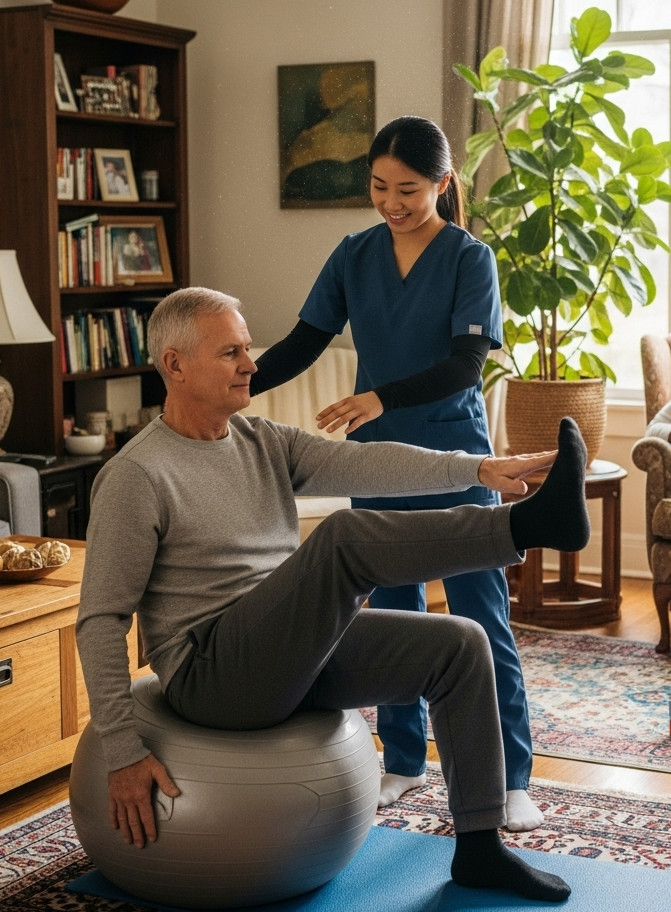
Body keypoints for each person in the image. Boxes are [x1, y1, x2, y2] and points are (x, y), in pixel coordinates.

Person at [76, 288, 590, 903]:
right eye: (231, 352)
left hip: (287, 654)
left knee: (460, 644)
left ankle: (480, 850)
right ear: (175, 365)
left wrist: (479, 469)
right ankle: (528, 527)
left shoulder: (261, 441)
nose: (251, 364)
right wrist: (122, 752)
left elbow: (369, 465)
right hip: (211, 675)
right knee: (344, 537)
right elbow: (101, 619)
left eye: (248, 349)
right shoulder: (136, 476)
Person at [251, 115, 541, 829]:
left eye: (407, 190)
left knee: (481, 618)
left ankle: (511, 777)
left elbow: (465, 366)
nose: (390, 202)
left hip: (456, 459)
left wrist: (379, 395)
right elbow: (305, 341)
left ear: (442, 184)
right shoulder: (354, 255)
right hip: (377, 461)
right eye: (378, 187)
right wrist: (231, 384)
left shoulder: (469, 259)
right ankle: (405, 761)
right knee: (393, 616)